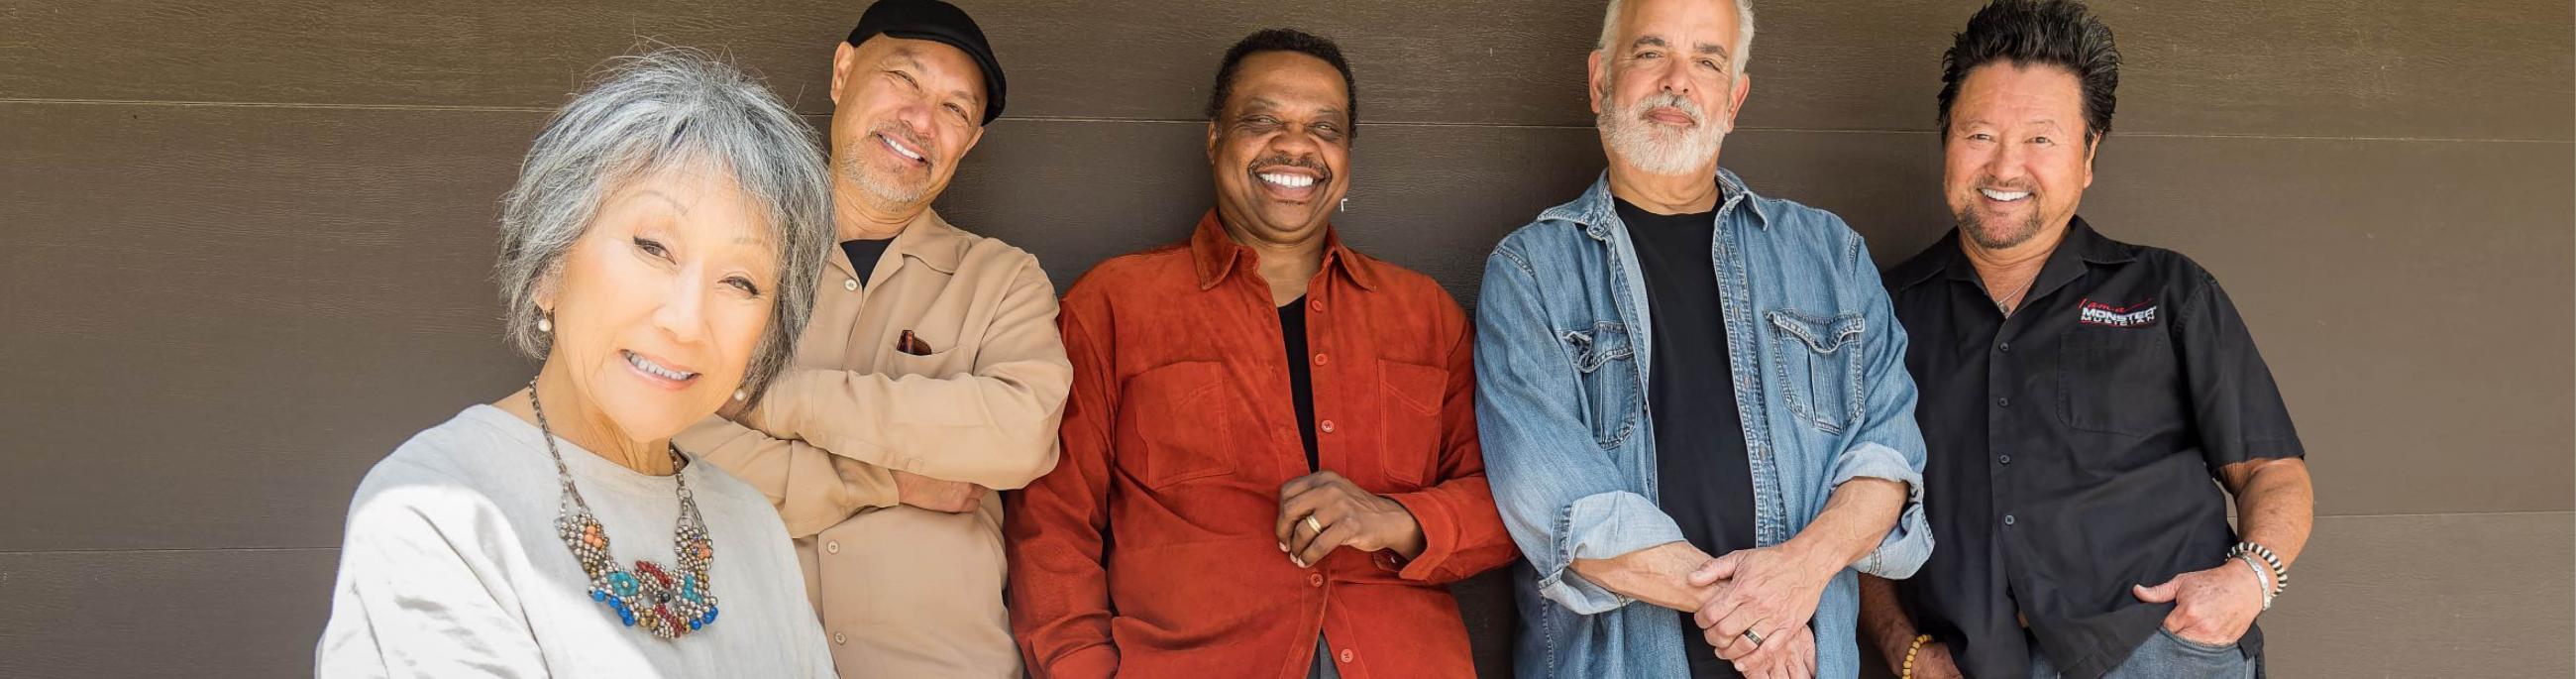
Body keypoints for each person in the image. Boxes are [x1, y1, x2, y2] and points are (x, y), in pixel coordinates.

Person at [1005, 28, 1519, 679]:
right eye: (1263, 119)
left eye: (1324, 128)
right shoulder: (1115, 304)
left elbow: (1507, 506)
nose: (1296, 144)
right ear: (1214, 137)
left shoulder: (1423, 315)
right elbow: (1051, 525)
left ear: (1347, 156)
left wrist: (1393, 517)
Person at [315, 49, 836, 677]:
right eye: (654, 247)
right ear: (550, 266)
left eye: (740, 281)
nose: (686, 318)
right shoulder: (437, 508)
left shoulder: (752, 526)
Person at [1474, 0, 1935, 676]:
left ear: (1734, 97)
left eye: (1707, 59)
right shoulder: (1531, 272)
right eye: (1651, 51)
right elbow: (1564, 510)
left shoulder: (1828, 255)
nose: (1678, 80)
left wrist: (1799, 572)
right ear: (1601, 80)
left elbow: (1888, 459)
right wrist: (1759, 619)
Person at [1860, 3, 2313, 677]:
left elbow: (2272, 472)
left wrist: (2249, 580)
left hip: (2160, 655)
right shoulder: (1882, 313)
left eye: (2041, 139)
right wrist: (1906, 649)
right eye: (1979, 134)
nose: (2005, 167)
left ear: (2089, 154)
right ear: (1946, 141)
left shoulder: (2169, 291)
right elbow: (1856, 515)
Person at [672, 1, 1072, 676]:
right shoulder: (724, 250)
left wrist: (769, 399)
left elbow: (1021, 432)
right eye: (905, 81)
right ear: (842, 71)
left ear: (969, 142)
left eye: (954, 109)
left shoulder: (1003, 280)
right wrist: (882, 478)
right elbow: (677, 444)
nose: (920, 121)